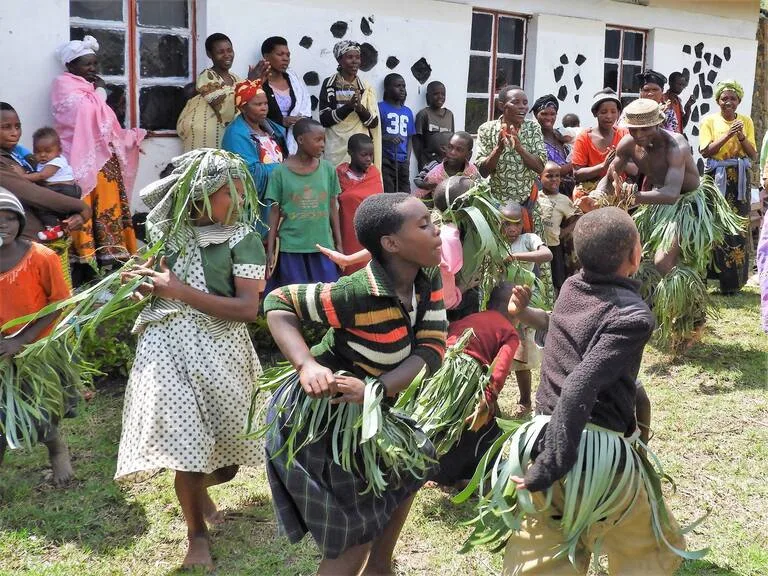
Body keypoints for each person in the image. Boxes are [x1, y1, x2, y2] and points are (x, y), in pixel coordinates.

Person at [494, 208, 690, 575]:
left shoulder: (571, 287)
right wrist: (554, 460)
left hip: (543, 436)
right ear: (636, 255)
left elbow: (564, 333)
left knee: (544, 545)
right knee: (647, 546)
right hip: (588, 452)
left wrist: (545, 459)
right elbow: (579, 384)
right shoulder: (634, 317)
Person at [262, 192, 447, 575]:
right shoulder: (355, 293)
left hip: (370, 402)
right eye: (424, 225)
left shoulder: (427, 278)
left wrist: (377, 391)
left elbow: (431, 347)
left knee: (407, 470)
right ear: (391, 244)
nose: (436, 231)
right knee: (352, 539)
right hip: (325, 416)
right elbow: (278, 302)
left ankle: (381, 568)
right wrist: (306, 365)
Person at [115, 150, 267, 571]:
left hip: (221, 350)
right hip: (166, 348)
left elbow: (246, 309)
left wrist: (180, 290)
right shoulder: (169, 234)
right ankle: (195, 534)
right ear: (199, 195)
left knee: (228, 460)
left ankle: (201, 489)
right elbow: (154, 285)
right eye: (229, 193)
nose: (239, 201)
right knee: (186, 447)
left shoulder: (241, 237)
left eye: (243, 192)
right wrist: (143, 287)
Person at [0, 189, 75, 487]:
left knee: (41, 410)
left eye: (9, 219)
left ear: (20, 221)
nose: (2, 225)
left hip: (36, 352)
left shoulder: (42, 258)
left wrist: (22, 341)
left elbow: (58, 305)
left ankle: (57, 451)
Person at [51, 35, 145, 269]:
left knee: (109, 208)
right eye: (87, 64)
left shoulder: (88, 89)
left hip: (104, 162)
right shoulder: (64, 86)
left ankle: (112, 260)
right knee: (85, 208)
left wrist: (131, 135)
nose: (93, 68)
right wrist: (101, 91)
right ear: (70, 66)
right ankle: (85, 263)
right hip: (79, 161)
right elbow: (87, 112)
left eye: (95, 63)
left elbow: (105, 123)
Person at [428, 282, 520, 488]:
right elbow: (500, 369)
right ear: (517, 310)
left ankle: (431, 471)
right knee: (481, 427)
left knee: (444, 421)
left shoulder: (471, 318)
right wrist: (487, 398)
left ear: (488, 302)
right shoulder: (509, 332)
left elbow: (450, 335)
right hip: (466, 375)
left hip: (442, 369)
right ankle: (467, 475)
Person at [475, 86, 551, 305]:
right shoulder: (487, 129)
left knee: (536, 260)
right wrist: (498, 149)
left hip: (527, 208)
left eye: (525, 103)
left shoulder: (532, 128)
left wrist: (519, 148)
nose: (522, 107)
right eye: (516, 103)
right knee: (496, 261)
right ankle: (493, 306)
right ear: (501, 105)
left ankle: (538, 308)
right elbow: (482, 170)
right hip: (499, 213)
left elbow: (539, 167)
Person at [0, 103, 91, 264]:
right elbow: (31, 192)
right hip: (19, 245)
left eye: (17, 127)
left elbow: (47, 184)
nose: (14, 133)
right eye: (6, 127)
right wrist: (81, 207)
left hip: (39, 242)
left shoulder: (21, 155)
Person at [265, 118, 342, 290]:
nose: (322, 144)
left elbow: (332, 208)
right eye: (317, 140)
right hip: (291, 249)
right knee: (294, 299)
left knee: (327, 297)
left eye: (324, 140)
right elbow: (274, 213)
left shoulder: (328, 170)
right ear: (300, 140)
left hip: (323, 247)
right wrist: (270, 251)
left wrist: (339, 244)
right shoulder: (280, 172)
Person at [699, 80, 757, 295]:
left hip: (739, 180)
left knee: (737, 229)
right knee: (712, 225)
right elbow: (706, 151)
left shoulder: (746, 121)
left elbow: (752, 153)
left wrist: (740, 135)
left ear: (739, 101)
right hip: (716, 179)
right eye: (724, 98)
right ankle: (708, 278)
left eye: (733, 99)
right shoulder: (709, 121)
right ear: (717, 101)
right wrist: (728, 134)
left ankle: (732, 284)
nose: (728, 102)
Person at [500, 201, 552, 418]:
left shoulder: (529, 240)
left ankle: (525, 401)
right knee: (500, 354)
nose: (512, 229)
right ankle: (491, 398)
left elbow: (546, 255)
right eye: (506, 224)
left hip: (524, 303)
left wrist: (514, 257)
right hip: (500, 303)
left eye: (517, 224)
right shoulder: (494, 242)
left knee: (522, 355)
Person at [221, 78, 288, 230]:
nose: (264, 108)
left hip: (278, 195)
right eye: (258, 104)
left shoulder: (271, 129)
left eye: (265, 103)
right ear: (243, 108)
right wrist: (284, 169)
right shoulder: (236, 134)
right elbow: (248, 173)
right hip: (259, 204)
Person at [176, 33, 246, 152]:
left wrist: (254, 84)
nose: (227, 55)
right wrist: (249, 84)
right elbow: (223, 107)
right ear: (210, 54)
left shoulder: (237, 79)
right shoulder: (207, 76)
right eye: (220, 52)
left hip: (227, 136)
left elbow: (247, 105)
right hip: (203, 136)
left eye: (229, 50)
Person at [319, 41, 381, 170]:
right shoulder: (330, 84)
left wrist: (359, 109)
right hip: (335, 147)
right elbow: (324, 119)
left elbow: (374, 123)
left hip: (359, 150)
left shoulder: (365, 88)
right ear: (339, 60)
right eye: (350, 57)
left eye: (357, 57)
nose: (355, 61)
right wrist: (348, 107)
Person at [22, 127, 80, 241]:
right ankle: (59, 225)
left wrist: (21, 177)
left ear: (59, 151)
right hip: (63, 189)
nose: (42, 155)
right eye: (38, 152)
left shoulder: (56, 161)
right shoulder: (46, 161)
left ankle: (53, 228)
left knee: (41, 205)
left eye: (47, 151)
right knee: (52, 208)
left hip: (64, 189)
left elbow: (42, 176)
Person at [336, 134, 383, 274]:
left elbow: (379, 202)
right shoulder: (340, 174)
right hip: (347, 232)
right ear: (350, 152)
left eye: (371, 155)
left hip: (370, 231)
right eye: (364, 155)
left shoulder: (374, 173)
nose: (369, 159)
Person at [260, 36, 312, 154]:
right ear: (266, 56)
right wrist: (281, 121)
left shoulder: (295, 81)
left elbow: (306, 109)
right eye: (280, 54)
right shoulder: (260, 83)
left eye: (288, 55)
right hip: (269, 142)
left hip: (296, 140)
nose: (285, 59)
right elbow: (253, 113)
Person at [572, 89, 628, 189]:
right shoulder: (584, 137)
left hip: (619, 192)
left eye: (613, 112)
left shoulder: (624, 134)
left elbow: (635, 170)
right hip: (590, 193)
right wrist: (603, 166)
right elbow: (577, 174)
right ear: (595, 113)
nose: (609, 116)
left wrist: (618, 161)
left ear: (618, 113)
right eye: (603, 112)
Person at [537, 161, 579, 293]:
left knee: (557, 280)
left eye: (557, 176)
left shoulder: (564, 200)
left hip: (554, 247)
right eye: (549, 176)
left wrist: (563, 232)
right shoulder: (535, 196)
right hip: (537, 246)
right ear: (540, 177)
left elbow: (577, 218)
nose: (554, 179)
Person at [413, 132, 479, 199]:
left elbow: (478, 195)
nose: (452, 152)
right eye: (450, 147)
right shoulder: (434, 174)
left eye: (459, 149)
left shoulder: (472, 172)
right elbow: (419, 198)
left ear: (469, 154)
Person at [532, 94, 575, 197]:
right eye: (544, 114)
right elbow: (551, 171)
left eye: (552, 114)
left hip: (568, 192)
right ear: (535, 114)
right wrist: (576, 162)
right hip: (545, 195)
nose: (549, 118)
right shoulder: (534, 140)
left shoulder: (562, 135)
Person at [379, 73, 415, 193]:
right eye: (397, 86)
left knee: (405, 193)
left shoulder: (408, 111)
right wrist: (387, 138)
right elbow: (373, 135)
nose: (402, 89)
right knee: (388, 191)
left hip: (402, 161)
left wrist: (407, 159)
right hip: (386, 159)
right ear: (387, 89)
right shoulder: (379, 108)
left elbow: (410, 138)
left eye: (404, 86)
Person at [413, 81, 455, 170]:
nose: (440, 97)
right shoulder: (424, 114)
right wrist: (421, 161)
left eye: (443, 94)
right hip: (429, 162)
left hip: (447, 162)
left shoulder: (449, 114)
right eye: (436, 94)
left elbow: (452, 138)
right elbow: (417, 140)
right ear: (428, 96)